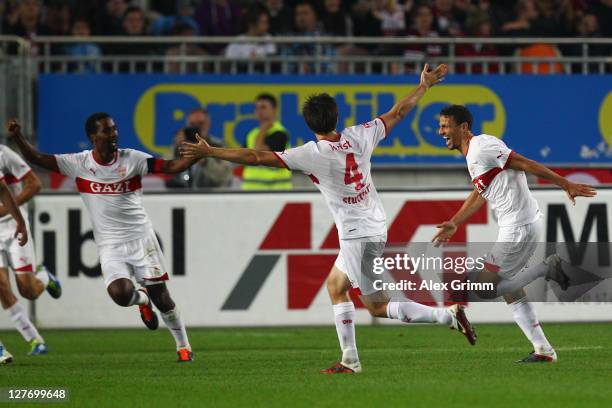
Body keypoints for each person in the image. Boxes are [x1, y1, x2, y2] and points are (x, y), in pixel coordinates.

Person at [182, 64, 477, 374]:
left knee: (376, 305)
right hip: (373, 224)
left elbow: (256, 157)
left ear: (310, 124)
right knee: (336, 286)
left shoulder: (311, 154)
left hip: (357, 235)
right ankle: (350, 359)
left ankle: (447, 315)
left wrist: (211, 151)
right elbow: (398, 112)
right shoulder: (359, 135)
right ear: (337, 116)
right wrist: (424, 86)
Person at [7, 116, 197, 362]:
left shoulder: (133, 159)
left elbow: (171, 167)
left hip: (141, 239)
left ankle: (183, 346)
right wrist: (18, 137)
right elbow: (38, 158)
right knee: (120, 294)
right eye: (108, 131)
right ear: (94, 137)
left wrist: (201, 154)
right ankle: (142, 300)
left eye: (115, 128)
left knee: (162, 297)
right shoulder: (79, 163)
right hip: (110, 245)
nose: (115, 133)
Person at [432, 104, 597, 363]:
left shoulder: (483, 146)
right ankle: (543, 350)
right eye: (440, 126)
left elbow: (525, 163)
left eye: (445, 126)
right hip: (517, 226)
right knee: (509, 289)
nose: (440, 131)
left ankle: (547, 268)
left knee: (484, 288)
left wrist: (565, 183)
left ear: (463, 127)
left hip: (518, 228)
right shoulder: (473, 154)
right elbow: (480, 192)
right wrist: (455, 221)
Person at [0, 144, 62, 356]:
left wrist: (6, 210)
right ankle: (34, 340)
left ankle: (45, 277)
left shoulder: (3, 154)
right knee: (1, 287)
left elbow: (34, 184)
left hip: (13, 228)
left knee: (28, 290)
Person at [242, 94, 292, 190]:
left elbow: (257, 153)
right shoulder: (251, 134)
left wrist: (264, 129)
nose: (259, 111)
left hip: (275, 190)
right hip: (250, 190)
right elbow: (245, 158)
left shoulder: (280, 133)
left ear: (274, 109)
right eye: (257, 108)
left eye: (263, 107)